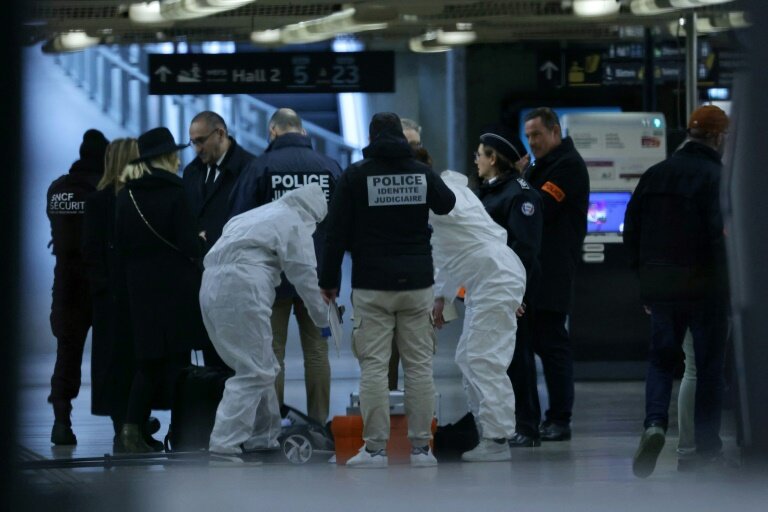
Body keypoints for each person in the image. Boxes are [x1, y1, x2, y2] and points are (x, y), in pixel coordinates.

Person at [319, 112, 456, 468]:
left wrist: (328, 281)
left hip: (372, 284)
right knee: (419, 367)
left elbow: (335, 234)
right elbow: (447, 203)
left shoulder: (355, 175)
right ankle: (422, 449)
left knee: (374, 369)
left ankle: (375, 450)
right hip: (417, 283)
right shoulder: (421, 172)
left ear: (371, 137)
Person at [624, 105, 729, 478]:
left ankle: (654, 424)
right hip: (705, 286)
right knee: (708, 368)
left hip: (661, 285)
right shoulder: (717, 177)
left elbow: (631, 230)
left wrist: (645, 283)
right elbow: (721, 237)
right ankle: (706, 449)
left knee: (661, 360)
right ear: (718, 137)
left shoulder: (655, 174)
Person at [229, 108, 342, 425]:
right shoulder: (329, 167)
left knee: (273, 353)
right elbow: (341, 225)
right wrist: (333, 277)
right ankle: (318, 424)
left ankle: (274, 425)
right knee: (317, 352)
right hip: (317, 277)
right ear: (303, 132)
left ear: (273, 132)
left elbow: (239, 222)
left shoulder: (259, 167)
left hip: (272, 276)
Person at [201, 183, 330, 461]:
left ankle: (263, 436)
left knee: (263, 365)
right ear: (314, 214)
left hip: (210, 286)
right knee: (255, 371)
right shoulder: (295, 222)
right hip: (243, 287)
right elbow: (306, 280)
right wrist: (324, 320)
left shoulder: (254, 215)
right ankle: (224, 443)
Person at [115, 127, 209, 452]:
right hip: (177, 289)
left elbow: (120, 244)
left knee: (147, 363)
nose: (179, 160)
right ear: (166, 157)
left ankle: (131, 430)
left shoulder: (126, 195)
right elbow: (189, 245)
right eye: (175, 155)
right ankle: (181, 434)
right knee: (180, 364)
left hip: (140, 290)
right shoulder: (177, 192)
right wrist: (199, 240)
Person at [431, 170, 527, 461]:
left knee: (483, 360)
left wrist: (440, 297)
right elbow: (452, 255)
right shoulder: (462, 199)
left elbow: (442, 256)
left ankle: (496, 438)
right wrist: (441, 298)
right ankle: (486, 431)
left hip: (495, 277)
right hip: (492, 277)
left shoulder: (443, 207)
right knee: (469, 357)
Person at [82, 138, 162, 451]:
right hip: (123, 297)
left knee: (127, 364)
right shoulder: (119, 200)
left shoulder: (102, 200)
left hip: (119, 297)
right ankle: (127, 430)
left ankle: (133, 428)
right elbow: (93, 252)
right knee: (129, 364)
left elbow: (90, 252)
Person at [522, 107, 589, 442]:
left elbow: (538, 208)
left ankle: (560, 418)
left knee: (552, 345)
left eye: (537, 134)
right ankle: (534, 419)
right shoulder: (541, 166)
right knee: (535, 343)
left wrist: (518, 180)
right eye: (528, 136)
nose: (532, 142)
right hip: (536, 272)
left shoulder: (567, 166)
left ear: (554, 132)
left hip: (553, 271)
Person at [475, 131, 544, 448]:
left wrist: (516, 295)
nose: (475, 160)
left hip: (511, 289)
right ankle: (507, 421)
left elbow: (524, 249)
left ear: (493, 159)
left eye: (480, 154)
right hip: (492, 286)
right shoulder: (493, 191)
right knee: (498, 357)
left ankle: (527, 426)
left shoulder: (519, 195)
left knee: (518, 357)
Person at [46, 129, 109, 445]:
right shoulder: (102, 188)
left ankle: (61, 422)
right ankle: (125, 425)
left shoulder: (57, 188)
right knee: (111, 355)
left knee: (66, 354)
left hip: (64, 285)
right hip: (98, 284)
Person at [183, 111, 255, 369]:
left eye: (201, 140)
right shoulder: (192, 172)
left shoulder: (250, 169)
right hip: (203, 278)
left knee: (238, 360)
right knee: (210, 356)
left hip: (237, 278)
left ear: (220, 133)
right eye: (193, 142)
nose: (197, 148)